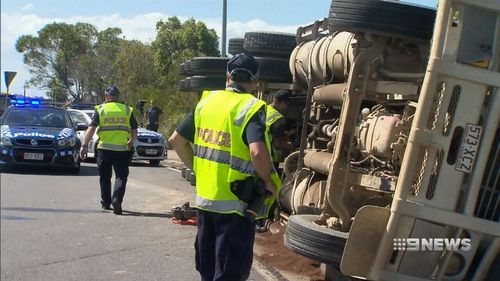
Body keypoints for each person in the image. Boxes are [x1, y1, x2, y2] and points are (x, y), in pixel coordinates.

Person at [169, 53, 281, 281]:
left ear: (227, 76)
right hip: (236, 208)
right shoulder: (251, 107)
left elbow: (176, 141)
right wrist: (268, 181)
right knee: (230, 273)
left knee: (208, 271)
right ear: (255, 83)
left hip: (206, 202)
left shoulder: (205, 102)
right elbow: (257, 151)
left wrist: (198, 170)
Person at [80, 86, 138, 215]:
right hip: (122, 149)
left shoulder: (101, 109)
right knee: (121, 177)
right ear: (118, 96)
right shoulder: (127, 110)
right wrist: (131, 142)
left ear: (106, 96)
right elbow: (134, 130)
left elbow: (91, 129)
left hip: (104, 149)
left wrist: (84, 145)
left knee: (105, 177)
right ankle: (116, 200)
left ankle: (106, 203)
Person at [266, 90, 295, 170]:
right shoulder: (278, 119)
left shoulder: (264, 110)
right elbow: (278, 144)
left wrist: (285, 134)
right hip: (270, 160)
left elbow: (269, 133)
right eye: (286, 104)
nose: (286, 107)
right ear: (282, 103)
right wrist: (293, 146)